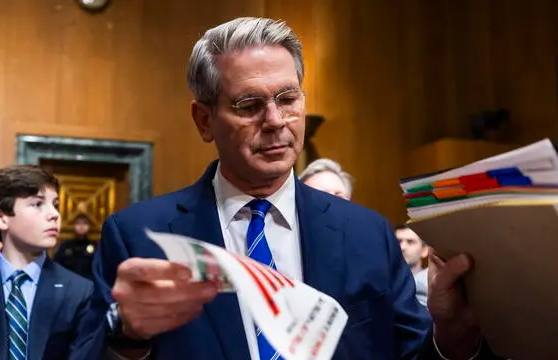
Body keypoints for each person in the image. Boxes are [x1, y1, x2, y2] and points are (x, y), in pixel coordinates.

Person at [90, 17, 502, 360]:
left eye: (287, 99)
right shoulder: (137, 239)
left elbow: (411, 353)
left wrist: (451, 331)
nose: (275, 120)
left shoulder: (366, 234)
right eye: (248, 106)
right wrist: (128, 336)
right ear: (203, 121)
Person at [0, 165, 95, 360]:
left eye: (55, 204)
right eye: (37, 204)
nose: (54, 214)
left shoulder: (80, 292)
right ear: (1, 218)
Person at [54, 213, 97, 280]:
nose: (81, 226)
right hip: (68, 282)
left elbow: (98, 269)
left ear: (89, 226)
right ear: (74, 225)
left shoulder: (95, 246)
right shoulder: (66, 245)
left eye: (85, 223)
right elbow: (57, 265)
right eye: (78, 223)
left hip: (88, 283)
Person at [396, 224, 430, 307]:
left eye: (410, 242)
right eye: (398, 241)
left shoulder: (428, 282)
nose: (402, 247)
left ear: (424, 250)